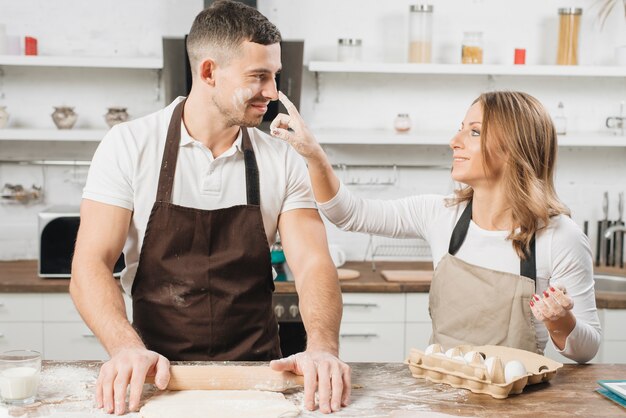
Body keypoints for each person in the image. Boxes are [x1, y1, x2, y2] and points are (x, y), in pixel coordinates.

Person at [70, 1, 350, 415]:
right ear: (207, 72)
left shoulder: (283, 158)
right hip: (154, 377)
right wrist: (125, 349)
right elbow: (89, 265)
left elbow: (313, 264)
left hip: (260, 377)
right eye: (258, 77)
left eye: (275, 76)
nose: (272, 92)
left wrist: (323, 348)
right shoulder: (129, 145)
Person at [271, 90, 601, 364]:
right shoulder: (440, 215)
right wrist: (313, 154)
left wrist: (561, 322)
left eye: (474, 132)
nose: (454, 141)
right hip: (440, 397)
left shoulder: (561, 237)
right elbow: (348, 213)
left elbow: (587, 350)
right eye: (461, 128)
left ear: (514, 148)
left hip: (517, 405)